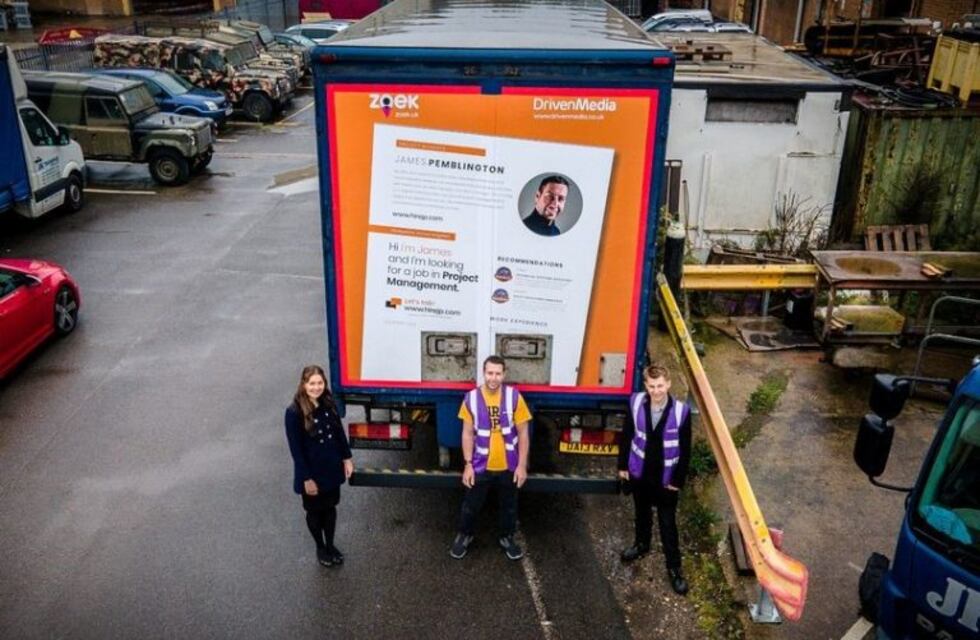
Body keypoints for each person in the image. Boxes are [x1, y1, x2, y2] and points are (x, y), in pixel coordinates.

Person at [617, 362, 692, 595]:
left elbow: (685, 449)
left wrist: (677, 481)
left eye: (660, 386)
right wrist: (623, 465)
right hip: (640, 472)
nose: (656, 391)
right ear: (645, 385)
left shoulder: (681, 412)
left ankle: (674, 568)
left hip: (666, 477)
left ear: (668, 384)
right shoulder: (635, 402)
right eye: (651, 386)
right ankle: (641, 544)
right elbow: (627, 434)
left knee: (667, 523)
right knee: (641, 512)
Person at [450, 355, 532, 560]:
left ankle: (507, 538)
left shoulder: (514, 397)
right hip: (480, 465)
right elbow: (467, 433)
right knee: (471, 505)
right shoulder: (471, 398)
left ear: (504, 374)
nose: (493, 378)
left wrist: (522, 465)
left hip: (509, 465)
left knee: (509, 506)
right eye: (489, 373)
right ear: (483, 373)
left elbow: (523, 433)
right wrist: (468, 465)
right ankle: (465, 535)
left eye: (497, 373)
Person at [285, 365, 354, 568]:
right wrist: (307, 478)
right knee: (315, 512)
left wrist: (347, 458)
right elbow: (296, 450)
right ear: (304, 384)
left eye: (320, 383)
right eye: (312, 383)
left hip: (331, 467)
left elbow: (339, 433)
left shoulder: (328, 402)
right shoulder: (294, 412)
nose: (316, 387)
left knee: (330, 509)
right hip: (311, 472)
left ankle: (331, 545)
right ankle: (320, 547)